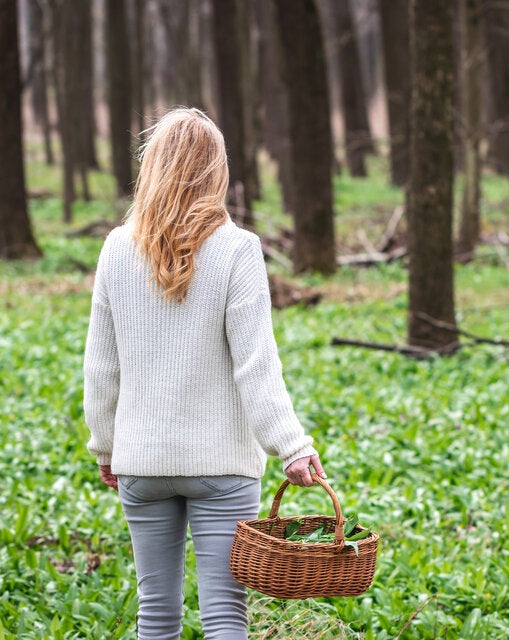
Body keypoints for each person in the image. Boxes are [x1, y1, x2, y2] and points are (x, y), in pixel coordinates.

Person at [83, 107, 325, 639]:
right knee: (224, 615)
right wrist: (292, 446)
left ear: (152, 167)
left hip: (141, 463)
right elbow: (256, 362)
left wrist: (106, 447)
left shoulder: (116, 249)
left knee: (155, 614)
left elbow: (101, 366)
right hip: (222, 466)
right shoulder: (238, 250)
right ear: (216, 171)